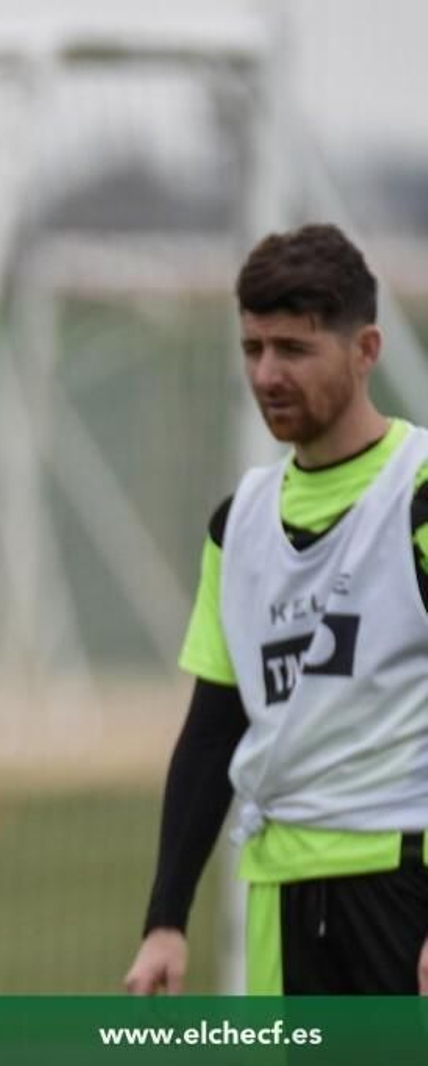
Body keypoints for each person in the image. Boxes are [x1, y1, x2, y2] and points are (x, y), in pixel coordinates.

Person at [125, 223, 428, 996]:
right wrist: (166, 917)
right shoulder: (240, 524)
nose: (266, 374)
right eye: (253, 349)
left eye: (294, 349)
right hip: (279, 887)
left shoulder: (417, 493)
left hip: (403, 879)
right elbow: (214, 724)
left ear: (366, 351)